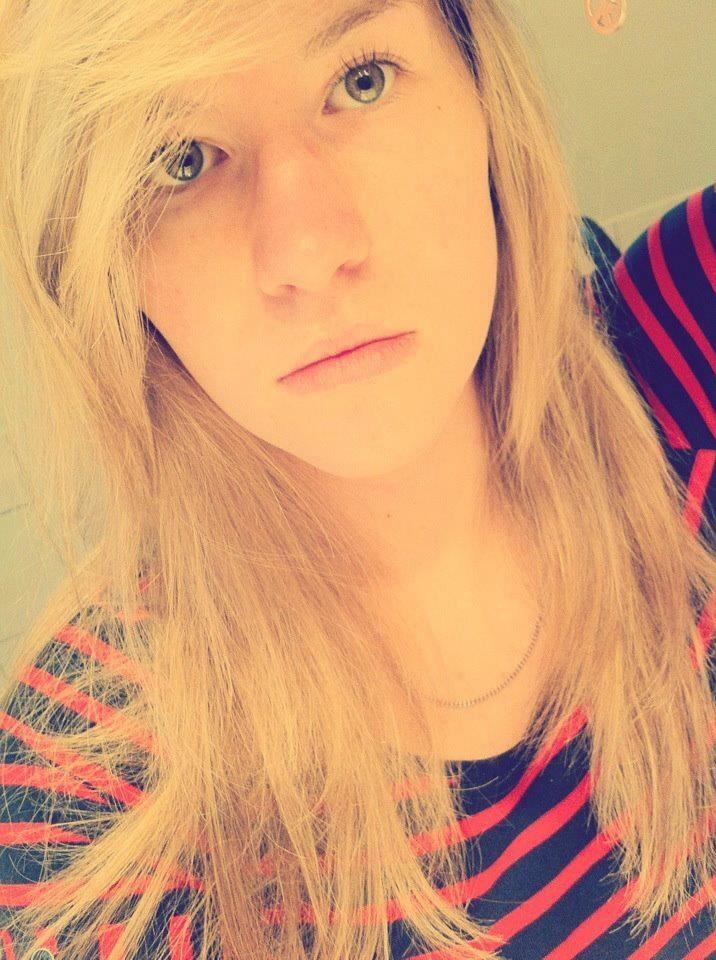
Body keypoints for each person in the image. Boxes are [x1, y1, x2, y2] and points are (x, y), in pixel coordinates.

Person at [0, 1, 713, 958]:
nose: (307, 251)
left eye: (360, 80)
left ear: (483, 92)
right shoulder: (91, 820)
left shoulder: (678, 360)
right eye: (181, 158)